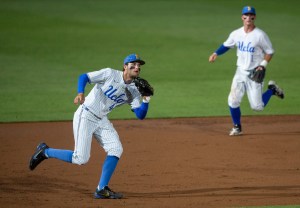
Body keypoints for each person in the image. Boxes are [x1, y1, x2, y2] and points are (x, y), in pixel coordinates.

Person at [29, 53, 152, 199]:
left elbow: (140, 115)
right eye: (134, 63)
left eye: (139, 65)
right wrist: (80, 93)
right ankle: (45, 152)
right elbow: (84, 77)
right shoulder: (109, 74)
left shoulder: (134, 90)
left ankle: (101, 189)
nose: (137, 67)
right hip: (86, 114)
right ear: (125, 66)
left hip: (102, 119)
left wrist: (146, 99)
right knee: (80, 158)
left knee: (116, 148)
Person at [208, 6, 284, 136]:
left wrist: (263, 65)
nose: (248, 17)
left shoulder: (260, 35)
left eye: (251, 15)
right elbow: (226, 45)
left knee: (257, 107)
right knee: (233, 100)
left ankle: (272, 89)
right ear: (242, 17)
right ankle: (237, 127)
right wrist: (216, 53)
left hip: (255, 73)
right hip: (240, 72)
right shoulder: (236, 33)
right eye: (246, 15)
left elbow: (270, 52)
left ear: (254, 17)